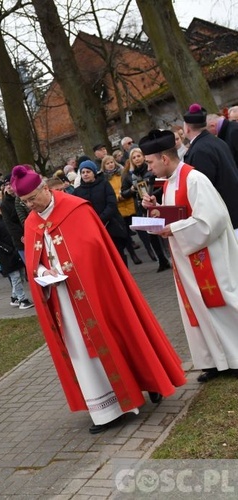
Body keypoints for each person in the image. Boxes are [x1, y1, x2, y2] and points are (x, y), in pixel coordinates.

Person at [11, 164, 186, 434]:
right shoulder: (31, 222)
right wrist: (45, 271)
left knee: (119, 332)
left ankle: (147, 382)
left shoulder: (75, 208)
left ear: (45, 188)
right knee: (82, 350)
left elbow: (94, 249)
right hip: (63, 301)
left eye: (33, 198)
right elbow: (35, 263)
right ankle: (106, 409)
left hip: (95, 292)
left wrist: (70, 266)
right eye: (25, 202)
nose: (31, 205)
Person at [140, 129, 238, 383]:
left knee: (221, 305)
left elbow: (211, 220)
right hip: (188, 261)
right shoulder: (170, 181)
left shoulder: (194, 179)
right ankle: (217, 360)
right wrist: (156, 209)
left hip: (210, 260)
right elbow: (179, 214)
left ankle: (235, 357)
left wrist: (171, 228)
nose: (148, 168)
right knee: (200, 309)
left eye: (150, 162)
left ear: (164, 158)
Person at [182, 103, 238, 232]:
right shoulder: (216, 141)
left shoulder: (199, 150)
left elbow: (205, 190)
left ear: (187, 128)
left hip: (228, 217)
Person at [72, 160, 131, 265]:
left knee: (118, 256)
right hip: (92, 231)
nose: (85, 174)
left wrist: (99, 219)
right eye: (83, 172)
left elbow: (111, 204)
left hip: (111, 226)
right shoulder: (77, 192)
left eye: (88, 172)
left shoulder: (104, 184)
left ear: (94, 173)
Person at [0, 198, 33, 309]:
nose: (0, 208)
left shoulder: (5, 219)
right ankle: (22, 299)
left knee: (20, 275)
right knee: (15, 277)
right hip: (6, 255)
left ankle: (14, 297)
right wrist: (8, 250)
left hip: (14, 251)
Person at [101, 154, 141, 264]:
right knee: (126, 234)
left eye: (111, 162)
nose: (110, 165)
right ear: (104, 166)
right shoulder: (104, 179)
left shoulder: (122, 173)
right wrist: (118, 197)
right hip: (118, 208)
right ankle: (133, 254)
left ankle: (150, 250)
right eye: (107, 163)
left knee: (139, 228)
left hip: (129, 203)